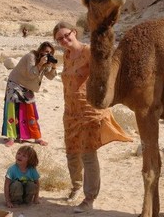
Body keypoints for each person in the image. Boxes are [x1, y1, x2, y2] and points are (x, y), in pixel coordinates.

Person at [52, 22, 132, 213]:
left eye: (66, 35)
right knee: (71, 152)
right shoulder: (67, 55)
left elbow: (108, 71)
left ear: (74, 32)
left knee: (88, 154)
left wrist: (103, 99)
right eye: (59, 39)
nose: (64, 40)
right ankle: (76, 186)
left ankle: (89, 198)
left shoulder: (89, 51)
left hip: (89, 109)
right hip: (70, 111)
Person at [2, 42, 57, 147]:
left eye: (50, 52)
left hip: (28, 86)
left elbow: (50, 77)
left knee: (30, 110)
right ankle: (11, 137)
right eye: (46, 51)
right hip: (16, 83)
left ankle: (37, 137)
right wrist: (40, 64)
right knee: (12, 110)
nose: (48, 54)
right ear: (40, 50)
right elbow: (32, 74)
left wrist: (53, 66)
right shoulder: (31, 56)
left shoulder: (46, 62)